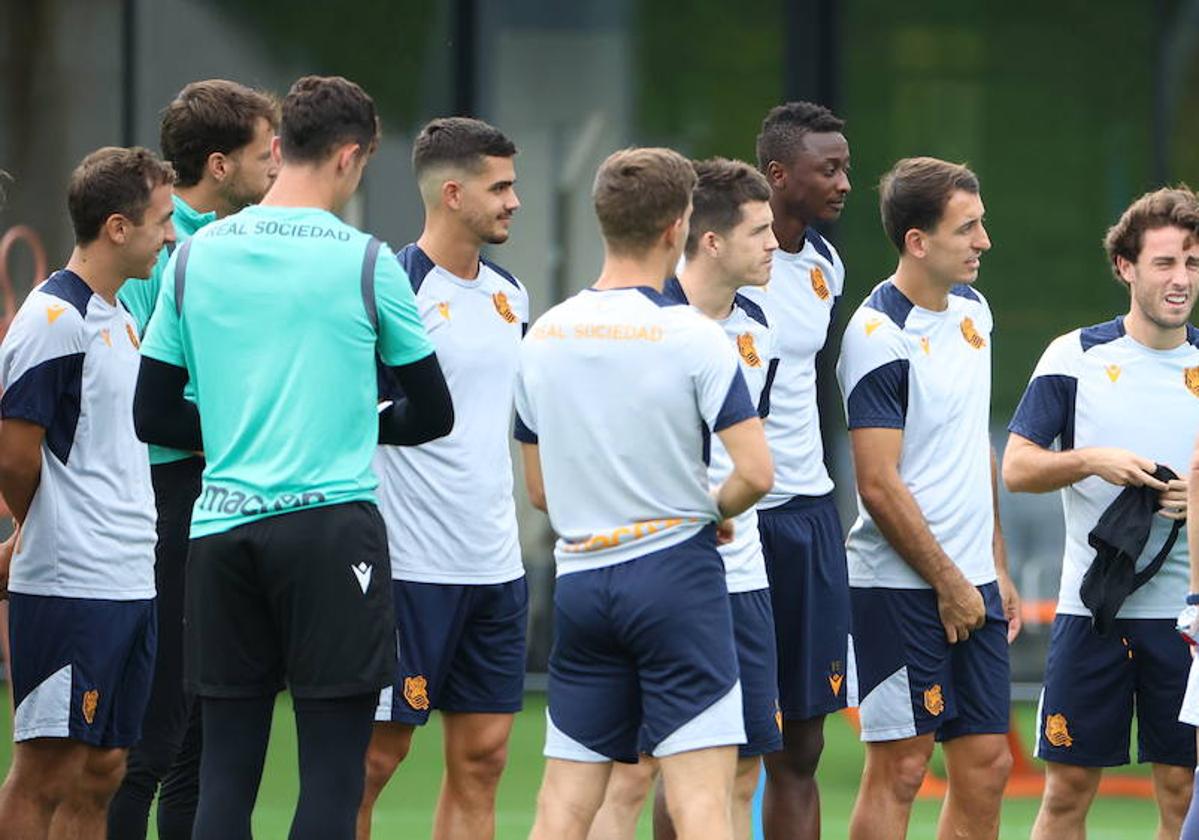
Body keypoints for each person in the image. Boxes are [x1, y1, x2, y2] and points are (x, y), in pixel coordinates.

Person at [134, 75, 453, 840]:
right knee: (332, 779)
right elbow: (432, 412)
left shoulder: (190, 258)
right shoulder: (370, 262)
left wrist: (246, 427)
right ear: (350, 156)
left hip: (219, 533)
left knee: (223, 777)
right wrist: (345, 423)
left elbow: (151, 412)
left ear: (278, 149)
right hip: (328, 533)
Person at [517, 147, 774, 840]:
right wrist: (710, 510)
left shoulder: (542, 334)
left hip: (580, 581)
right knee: (701, 806)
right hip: (674, 581)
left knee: (562, 806)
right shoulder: (694, 336)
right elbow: (755, 474)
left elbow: (538, 491)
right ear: (677, 227)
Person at [108, 78, 280, 840]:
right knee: (154, 732)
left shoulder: (247, 239)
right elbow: (143, 398)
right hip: (169, 498)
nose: (278, 167)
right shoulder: (154, 240)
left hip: (230, 495)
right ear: (218, 165)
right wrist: (255, 429)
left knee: (208, 740)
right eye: (263, 154)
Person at [1006, 186, 1199, 840]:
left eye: (1191, 264)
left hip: (1186, 621)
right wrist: (1091, 460)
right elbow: (1017, 467)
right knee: (1066, 793)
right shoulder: (1075, 356)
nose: (1180, 280)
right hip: (1089, 614)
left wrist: (1191, 499)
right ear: (1125, 267)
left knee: (1182, 790)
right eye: (1164, 263)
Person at [836, 157, 1020, 840]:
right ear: (917, 242)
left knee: (986, 765)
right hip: (898, 587)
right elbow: (878, 483)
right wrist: (946, 580)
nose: (983, 241)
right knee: (903, 770)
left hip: (969, 582)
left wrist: (992, 565)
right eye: (966, 228)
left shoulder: (975, 311)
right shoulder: (876, 335)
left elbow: (975, 447)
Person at [358, 116, 526, 840]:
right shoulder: (391, 288)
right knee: (372, 759)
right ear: (452, 193)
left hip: (494, 563)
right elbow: (350, 414)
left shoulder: (510, 293)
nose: (513, 201)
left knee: (485, 759)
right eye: (501, 187)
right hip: (409, 566)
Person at [0, 146, 175, 839]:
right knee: (44, 772)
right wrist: (41, 532)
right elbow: (14, 455)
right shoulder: (54, 319)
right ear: (117, 228)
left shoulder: (118, 317)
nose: (170, 235)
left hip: (129, 580)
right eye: (161, 221)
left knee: (105, 768)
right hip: (72, 586)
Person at [737, 101, 851, 840]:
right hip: (735, 516)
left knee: (802, 745)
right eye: (828, 168)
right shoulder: (716, 260)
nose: (844, 182)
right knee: (716, 745)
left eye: (845, 166)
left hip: (809, 516)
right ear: (778, 175)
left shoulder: (825, 265)